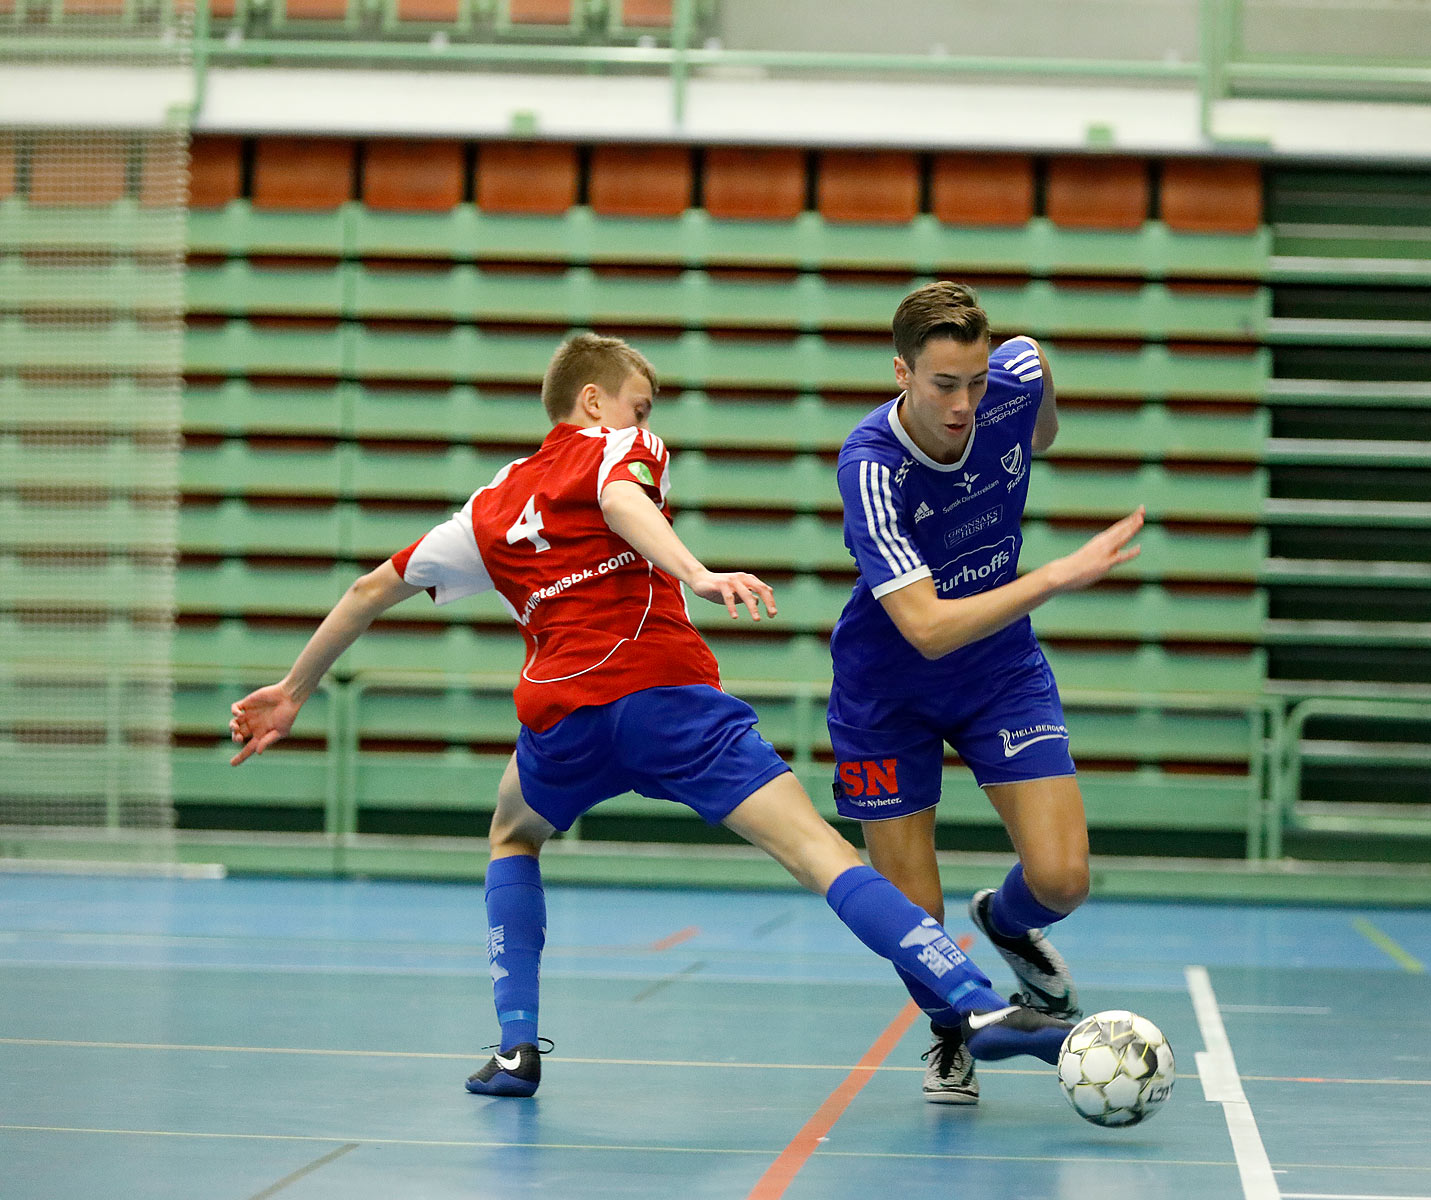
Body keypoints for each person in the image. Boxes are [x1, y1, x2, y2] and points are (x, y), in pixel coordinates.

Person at [226, 332, 1099, 1098]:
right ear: (594, 400)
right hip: (667, 699)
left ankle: (516, 1048)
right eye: (639, 400)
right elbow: (620, 498)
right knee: (817, 852)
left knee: (511, 831)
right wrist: (697, 572)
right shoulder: (621, 444)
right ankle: (983, 1008)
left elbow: (369, 590)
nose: (649, 416)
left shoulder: (488, 507)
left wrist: (292, 692)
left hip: (562, 723)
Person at [829, 281, 1144, 1104]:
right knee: (913, 919)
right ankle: (951, 1037)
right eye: (942, 385)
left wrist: (1029, 399)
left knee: (1064, 877)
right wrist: (1057, 575)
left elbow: (1037, 412)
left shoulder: (1011, 378)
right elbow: (926, 628)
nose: (965, 403)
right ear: (901, 372)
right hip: (886, 692)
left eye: (975, 382)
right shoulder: (871, 468)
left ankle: (1005, 924)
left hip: (998, 673)